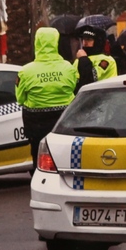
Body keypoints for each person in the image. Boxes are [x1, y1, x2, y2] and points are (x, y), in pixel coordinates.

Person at [15, 27, 78, 167]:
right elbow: (73, 89)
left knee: (39, 159)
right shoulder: (68, 68)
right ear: (56, 43)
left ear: (36, 43)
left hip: (36, 123)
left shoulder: (26, 71)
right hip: (63, 121)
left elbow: (20, 99)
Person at [75, 25, 118, 89]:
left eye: (89, 39)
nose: (85, 43)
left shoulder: (107, 60)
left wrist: (83, 59)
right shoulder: (79, 59)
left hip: (104, 96)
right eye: (83, 39)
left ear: (98, 41)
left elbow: (91, 78)